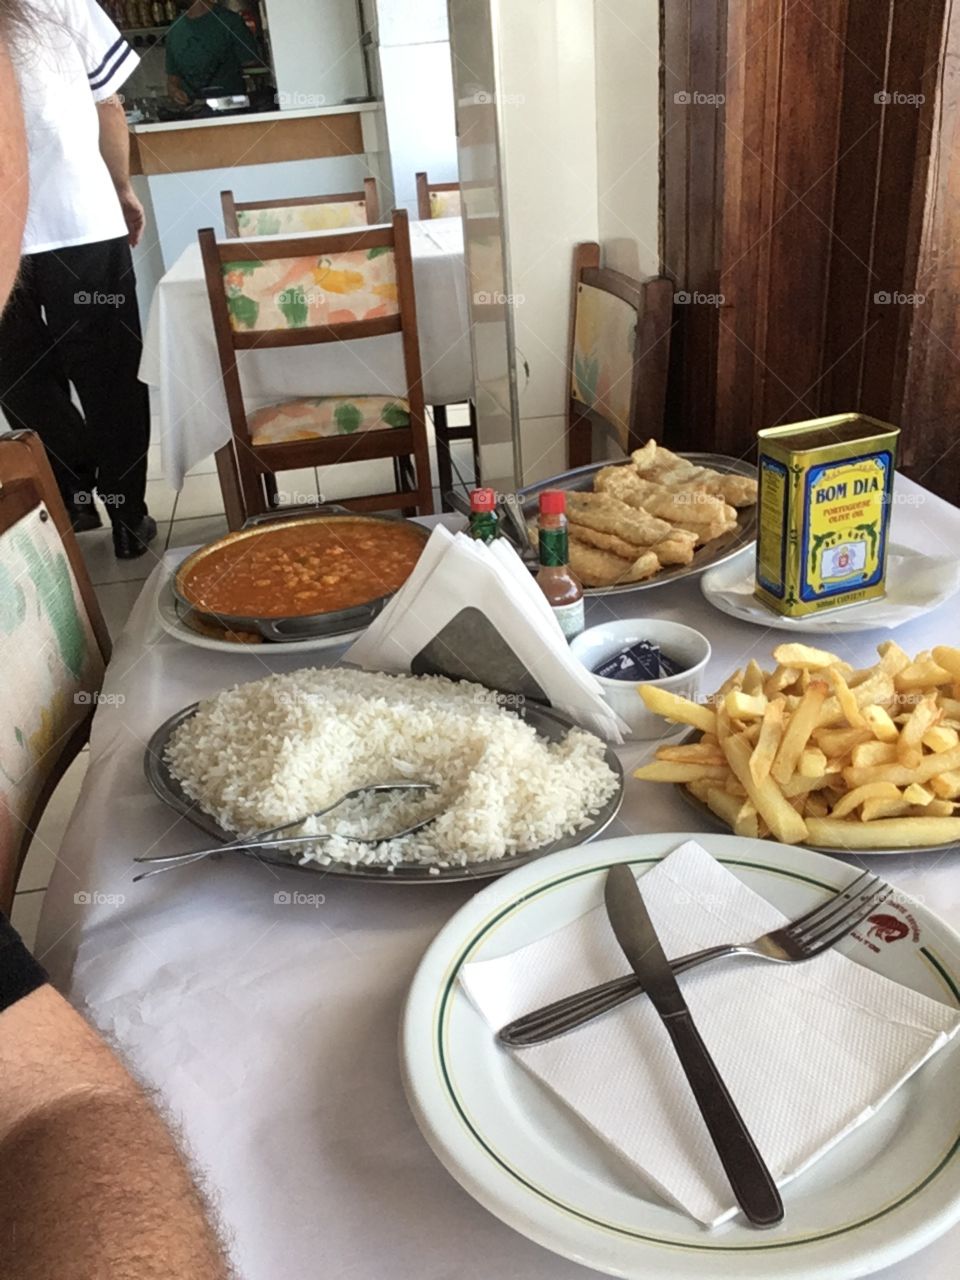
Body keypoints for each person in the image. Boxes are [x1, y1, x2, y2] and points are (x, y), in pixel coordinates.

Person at [0, 12, 233, 1276]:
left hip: (82, 216)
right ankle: (80, 489)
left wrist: (127, 186)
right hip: (55, 225)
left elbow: (110, 110)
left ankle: (122, 493)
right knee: (35, 389)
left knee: (115, 373)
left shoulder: (76, 9)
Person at [0, 0, 156, 558]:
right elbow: (108, 104)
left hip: (12, 233)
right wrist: (121, 187)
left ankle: (71, 491)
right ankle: (127, 516)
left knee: (20, 375)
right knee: (110, 371)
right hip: (81, 221)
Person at [166, 0, 261, 105]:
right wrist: (174, 91)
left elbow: (253, 69)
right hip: (192, 113)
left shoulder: (230, 21)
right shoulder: (174, 30)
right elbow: (173, 79)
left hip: (231, 109)